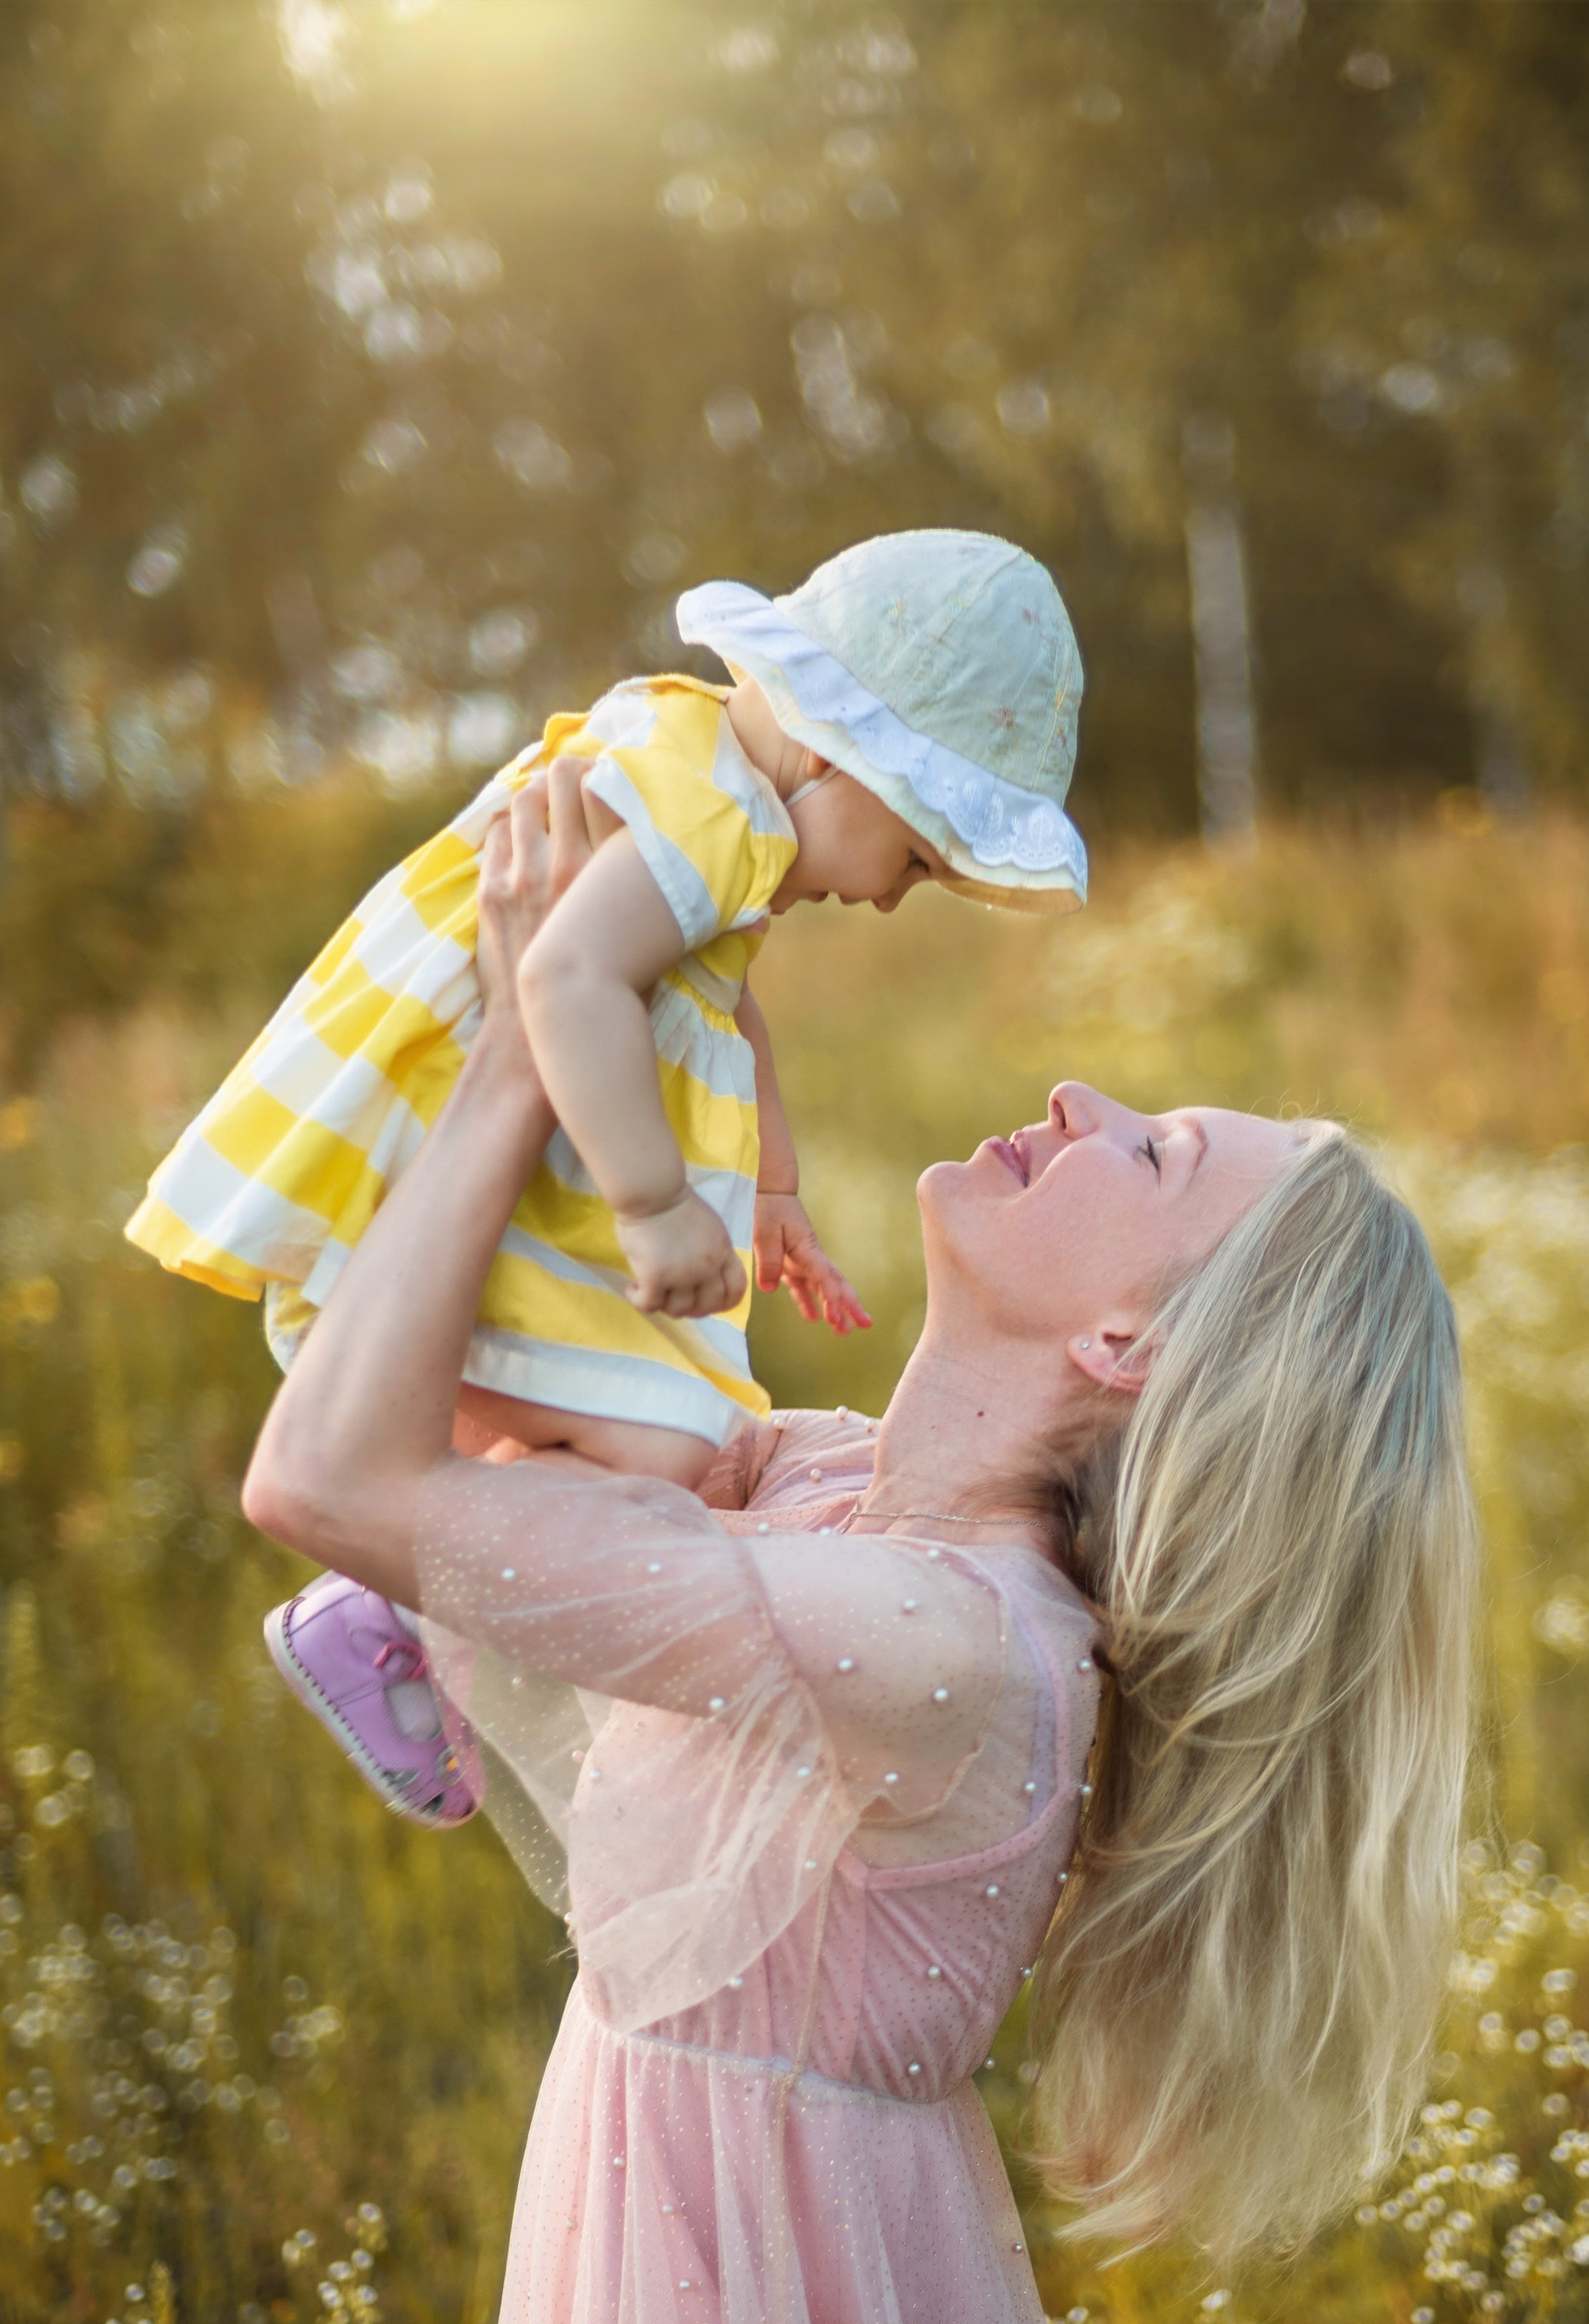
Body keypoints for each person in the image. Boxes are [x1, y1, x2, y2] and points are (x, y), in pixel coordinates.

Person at [242, 763, 1476, 2324]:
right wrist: (626, 994)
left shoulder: (943, 1647)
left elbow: (324, 1480)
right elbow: (461, 1407)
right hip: (672, 2257)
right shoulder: (817, 1486)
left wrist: (547, 1046)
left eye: (1159, 1153)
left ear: (1127, 1344)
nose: (1086, 1096)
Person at [131, 528, 1088, 1825]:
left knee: (636, 1429)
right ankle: (389, 1603)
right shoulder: (709, 814)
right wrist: (653, 1203)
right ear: (838, 751)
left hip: (535, 1112)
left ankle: (407, 1598)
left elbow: (725, 1004)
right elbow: (568, 975)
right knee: (661, 1438)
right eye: (916, 859)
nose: (892, 900)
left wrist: (775, 1194)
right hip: (515, 1114)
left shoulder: (710, 781)